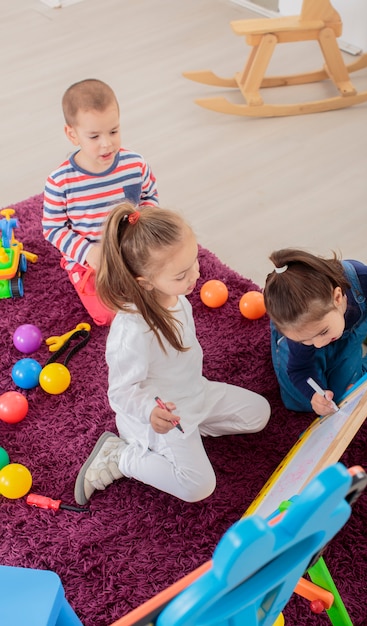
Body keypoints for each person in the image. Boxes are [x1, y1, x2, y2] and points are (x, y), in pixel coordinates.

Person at [74, 202, 270, 504]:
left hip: (194, 393)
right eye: (181, 275)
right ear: (145, 282)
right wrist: (150, 413)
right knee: (198, 486)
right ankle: (121, 455)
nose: (195, 275)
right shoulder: (133, 331)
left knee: (259, 414)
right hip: (162, 415)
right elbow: (121, 392)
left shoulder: (175, 297)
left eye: (194, 261)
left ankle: (185, 436)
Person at [42, 79, 159, 326]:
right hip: (90, 261)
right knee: (108, 315)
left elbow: (149, 199)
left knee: (162, 291)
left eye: (114, 131)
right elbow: (53, 229)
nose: (107, 143)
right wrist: (87, 252)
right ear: (72, 134)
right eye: (94, 136)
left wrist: (140, 228)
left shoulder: (135, 165)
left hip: (131, 249)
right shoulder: (60, 182)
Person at [263, 248, 367, 416]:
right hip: (302, 338)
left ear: (337, 298)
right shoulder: (299, 328)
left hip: (350, 331)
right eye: (306, 339)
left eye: (323, 332)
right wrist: (314, 396)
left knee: (346, 395)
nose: (319, 344)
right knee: (302, 401)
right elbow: (299, 369)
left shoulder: (364, 278)